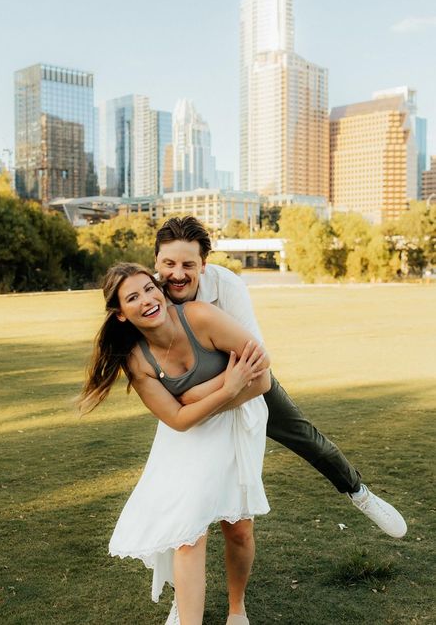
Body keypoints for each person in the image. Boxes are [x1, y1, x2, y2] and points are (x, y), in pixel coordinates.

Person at [154, 216, 408, 545]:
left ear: (203, 264)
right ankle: (179, 590)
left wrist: (205, 401)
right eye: (168, 263)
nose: (177, 273)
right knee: (173, 494)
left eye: (188, 264)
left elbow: (258, 367)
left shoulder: (226, 287)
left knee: (306, 437)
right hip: (195, 387)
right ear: (156, 261)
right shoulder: (150, 295)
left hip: (245, 380)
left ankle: (359, 492)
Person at [78, 262, 273, 625]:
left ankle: (237, 609)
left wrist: (197, 397)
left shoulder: (200, 317)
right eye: (132, 298)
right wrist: (228, 385)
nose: (147, 300)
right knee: (188, 532)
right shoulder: (138, 361)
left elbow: (262, 381)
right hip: (186, 437)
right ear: (121, 314)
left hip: (237, 422)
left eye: (149, 289)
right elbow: (179, 421)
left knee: (239, 529)